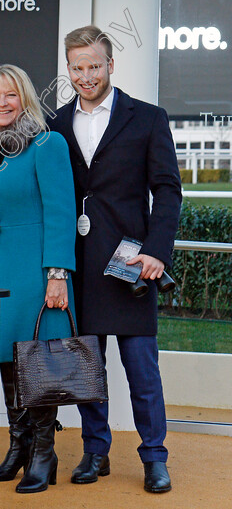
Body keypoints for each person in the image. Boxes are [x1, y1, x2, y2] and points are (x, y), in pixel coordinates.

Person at [47, 25, 181, 494]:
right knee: (88, 365)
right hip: (78, 264)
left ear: (109, 64)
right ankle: (95, 451)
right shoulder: (55, 123)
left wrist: (156, 253)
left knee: (142, 369)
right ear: (69, 70)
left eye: (94, 66)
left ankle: (154, 457)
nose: (86, 75)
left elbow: (167, 191)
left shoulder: (147, 118)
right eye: (77, 68)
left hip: (131, 266)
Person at [0, 65, 76, 494]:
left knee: (37, 360)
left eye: (10, 95)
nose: (0, 103)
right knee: (4, 357)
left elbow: (60, 211)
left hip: (34, 265)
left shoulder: (47, 143)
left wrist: (57, 274)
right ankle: (19, 443)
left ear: (26, 98)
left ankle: (44, 455)